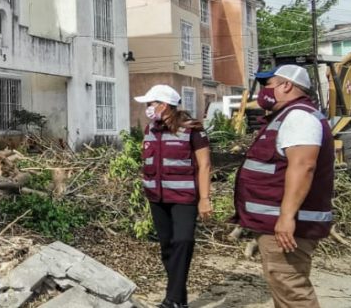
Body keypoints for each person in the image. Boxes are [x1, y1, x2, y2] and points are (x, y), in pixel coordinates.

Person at [234, 65, 334, 308]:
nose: (263, 92)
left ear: (286, 85)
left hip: (289, 225)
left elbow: (303, 166)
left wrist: (286, 217)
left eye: (268, 85)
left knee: (292, 291)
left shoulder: (298, 117)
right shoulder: (288, 116)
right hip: (277, 224)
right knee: (285, 288)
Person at [134, 85, 213, 308]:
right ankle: (179, 301)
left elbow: (205, 165)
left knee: (183, 241)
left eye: (151, 104)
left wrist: (205, 199)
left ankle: (172, 299)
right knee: (167, 247)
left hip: (184, 196)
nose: (148, 108)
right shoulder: (150, 129)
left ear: (164, 105)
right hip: (156, 197)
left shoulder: (192, 130)